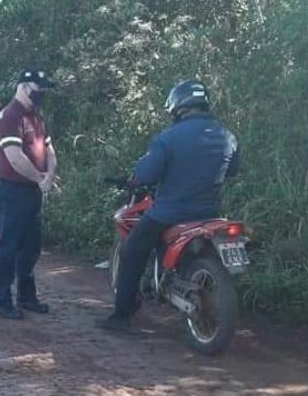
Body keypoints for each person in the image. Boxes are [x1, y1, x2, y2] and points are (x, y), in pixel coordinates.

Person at [97, 79, 240, 332]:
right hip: (208, 215)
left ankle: (121, 317)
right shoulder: (227, 136)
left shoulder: (168, 138)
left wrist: (135, 180)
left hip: (169, 213)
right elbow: (232, 171)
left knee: (132, 252)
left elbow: (145, 175)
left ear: (178, 107)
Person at [0, 67, 58, 320]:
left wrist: (49, 175)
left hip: (33, 191)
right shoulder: (10, 116)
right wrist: (39, 179)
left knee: (31, 247)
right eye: (38, 89)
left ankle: (27, 297)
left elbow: (50, 150)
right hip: (14, 191)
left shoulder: (36, 118)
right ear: (23, 87)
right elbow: (15, 158)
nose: (41, 93)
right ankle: (1, 300)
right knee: (9, 246)